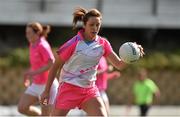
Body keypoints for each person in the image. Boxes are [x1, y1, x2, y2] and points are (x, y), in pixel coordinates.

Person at [40, 7, 144, 116]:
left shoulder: (103, 44)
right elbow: (55, 67)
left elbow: (119, 65)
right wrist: (46, 91)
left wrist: (132, 56)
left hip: (89, 90)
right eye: (91, 25)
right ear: (84, 25)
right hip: (68, 89)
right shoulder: (73, 44)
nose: (95, 28)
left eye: (97, 25)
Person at [18, 22, 59, 116]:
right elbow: (36, 65)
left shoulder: (43, 45)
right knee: (22, 108)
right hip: (36, 86)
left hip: (47, 88)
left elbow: (51, 63)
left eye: (29, 33)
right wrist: (28, 74)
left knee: (46, 113)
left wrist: (33, 73)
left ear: (37, 33)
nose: (27, 35)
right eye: (26, 32)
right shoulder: (32, 44)